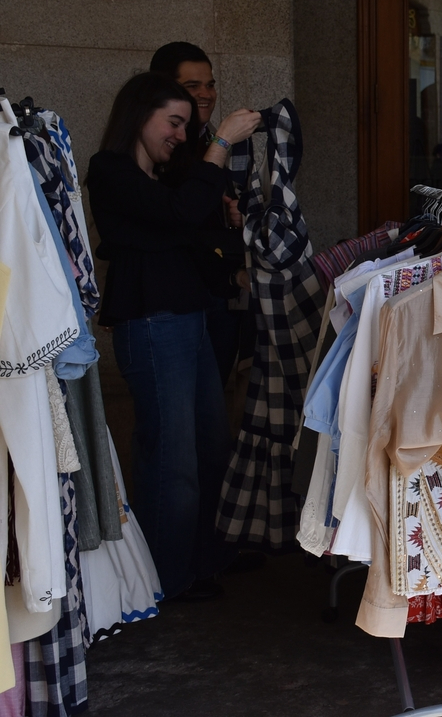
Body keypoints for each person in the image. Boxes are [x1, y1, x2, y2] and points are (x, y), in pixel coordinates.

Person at [88, 72, 260, 600]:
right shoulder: (110, 170)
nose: (181, 135)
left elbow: (191, 235)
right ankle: (164, 580)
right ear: (140, 114)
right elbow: (178, 214)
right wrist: (221, 143)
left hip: (190, 319)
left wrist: (233, 238)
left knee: (210, 449)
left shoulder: (167, 178)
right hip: (151, 324)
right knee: (172, 457)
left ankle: (205, 561)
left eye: (187, 126)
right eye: (174, 122)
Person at [150, 41, 249, 389]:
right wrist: (221, 143)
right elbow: (180, 212)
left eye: (210, 84)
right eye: (192, 86)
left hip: (223, 292)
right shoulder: (156, 150)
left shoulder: (218, 141)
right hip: (174, 302)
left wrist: (238, 217)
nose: (206, 94)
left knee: (213, 402)